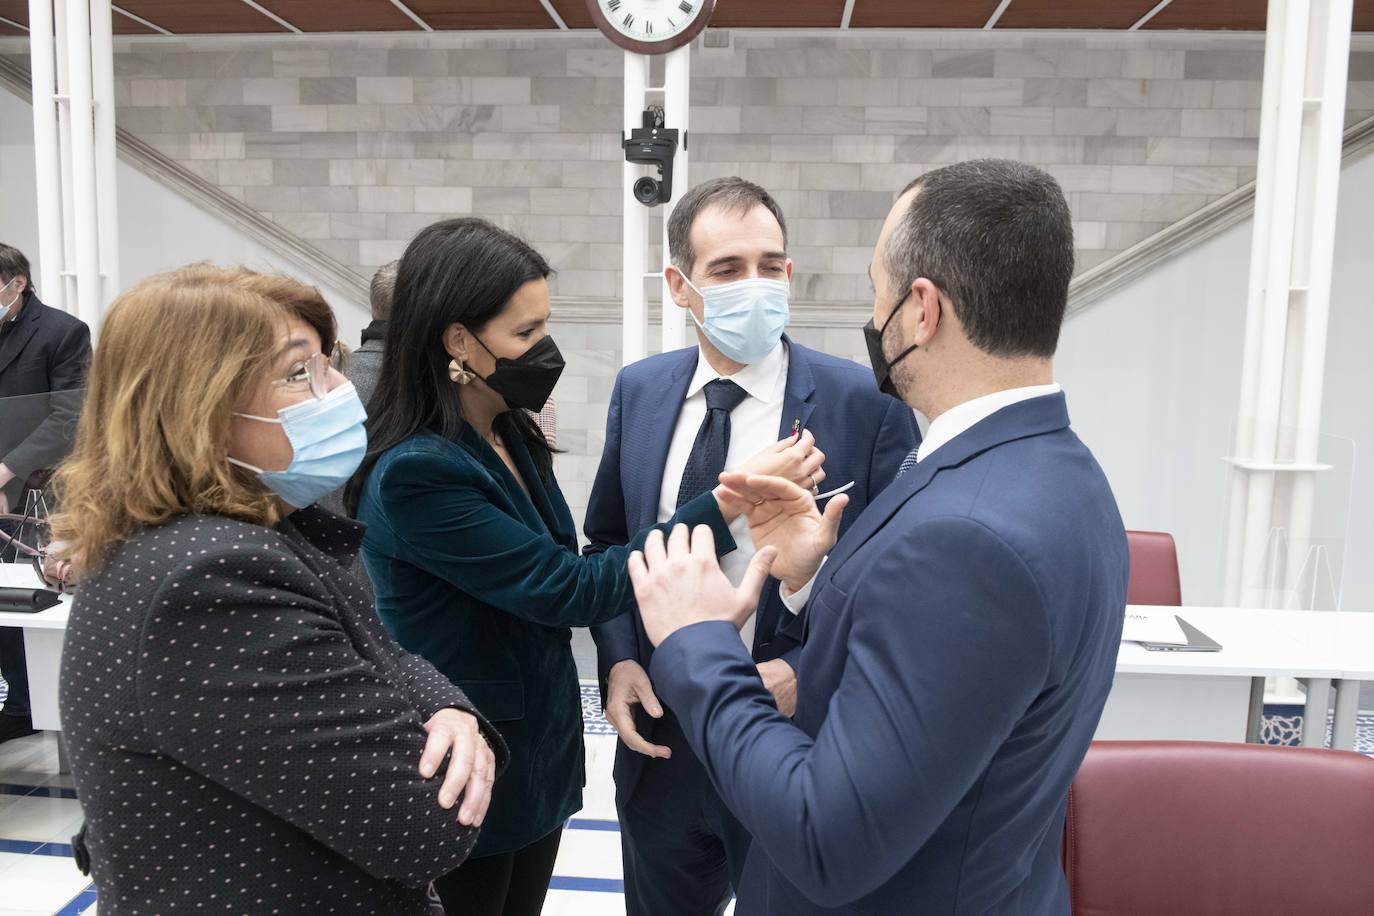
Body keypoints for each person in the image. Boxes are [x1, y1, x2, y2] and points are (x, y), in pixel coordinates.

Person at [624, 160, 1130, 915]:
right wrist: (808, 575)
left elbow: (828, 837)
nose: (875, 314)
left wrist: (698, 640)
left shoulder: (967, 539)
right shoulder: (1057, 469)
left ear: (921, 309)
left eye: (876, 290)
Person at [347, 218, 822, 916]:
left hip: (539, 758)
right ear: (458, 342)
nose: (546, 349)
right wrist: (726, 501)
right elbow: (569, 584)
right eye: (525, 334)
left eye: (546, 325)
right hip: (468, 765)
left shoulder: (507, 426)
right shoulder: (419, 471)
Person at [51, 264, 506, 914]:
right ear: (197, 408)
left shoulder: (226, 538)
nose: (337, 390)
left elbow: (381, 656)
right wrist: (441, 722)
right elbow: (425, 824)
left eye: (328, 362)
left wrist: (450, 710)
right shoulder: (212, 582)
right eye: (298, 375)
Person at [585, 176, 918, 916]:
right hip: (664, 738)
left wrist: (804, 668)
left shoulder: (862, 405)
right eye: (729, 270)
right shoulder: (641, 390)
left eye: (771, 266)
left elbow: (895, 577)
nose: (756, 285)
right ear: (680, 285)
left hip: (794, 740)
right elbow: (607, 539)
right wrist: (620, 657)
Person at [0, 242, 90, 745]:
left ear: (18, 284)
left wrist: (7, 472)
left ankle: (48, 706)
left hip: (43, 484)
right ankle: (19, 701)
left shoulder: (62, 332)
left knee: (43, 597)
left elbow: (68, 416)